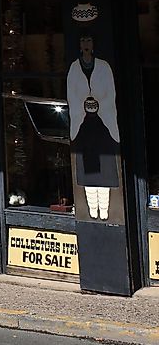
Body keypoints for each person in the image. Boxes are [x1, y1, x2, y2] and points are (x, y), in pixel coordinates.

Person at [68, 31, 120, 221]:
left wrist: (99, 103)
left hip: (102, 123)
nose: (86, 44)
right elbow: (71, 94)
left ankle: (104, 208)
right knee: (88, 168)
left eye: (89, 40)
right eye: (83, 40)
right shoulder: (74, 68)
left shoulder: (104, 67)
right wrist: (83, 104)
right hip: (83, 124)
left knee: (104, 167)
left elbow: (111, 92)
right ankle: (92, 207)